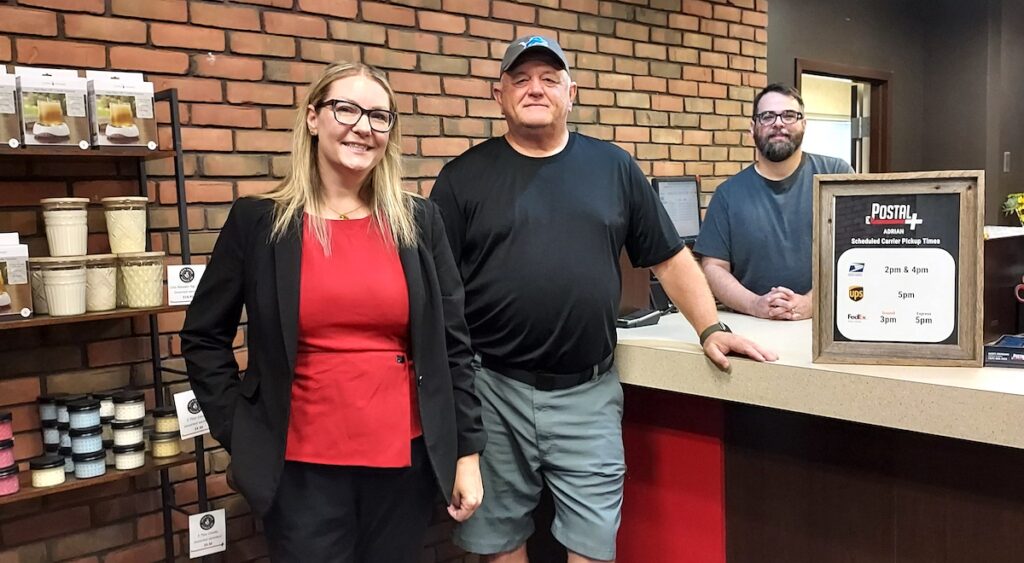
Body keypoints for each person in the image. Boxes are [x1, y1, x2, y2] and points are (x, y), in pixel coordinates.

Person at [429, 36, 776, 563]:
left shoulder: (612, 167)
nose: (534, 89)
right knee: (499, 544)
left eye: (548, 78)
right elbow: (440, 294)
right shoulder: (461, 179)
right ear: (498, 95)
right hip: (492, 389)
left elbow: (670, 258)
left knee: (592, 545)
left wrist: (711, 329)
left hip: (587, 394)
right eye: (520, 80)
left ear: (573, 92)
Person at [180, 62, 486, 562]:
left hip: (403, 462)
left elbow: (454, 344)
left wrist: (467, 453)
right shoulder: (259, 222)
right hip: (300, 469)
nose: (363, 126)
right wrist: (240, 429)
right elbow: (203, 336)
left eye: (379, 116)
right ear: (312, 118)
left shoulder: (418, 222)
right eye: (346, 109)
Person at [694, 83, 855, 320]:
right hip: (753, 328)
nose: (778, 123)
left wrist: (813, 303)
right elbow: (714, 267)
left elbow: (859, 251)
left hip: (828, 322)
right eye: (767, 116)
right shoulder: (728, 195)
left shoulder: (837, 176)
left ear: (804, 124)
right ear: (753, 127)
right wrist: (755, 304)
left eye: (789, 115)